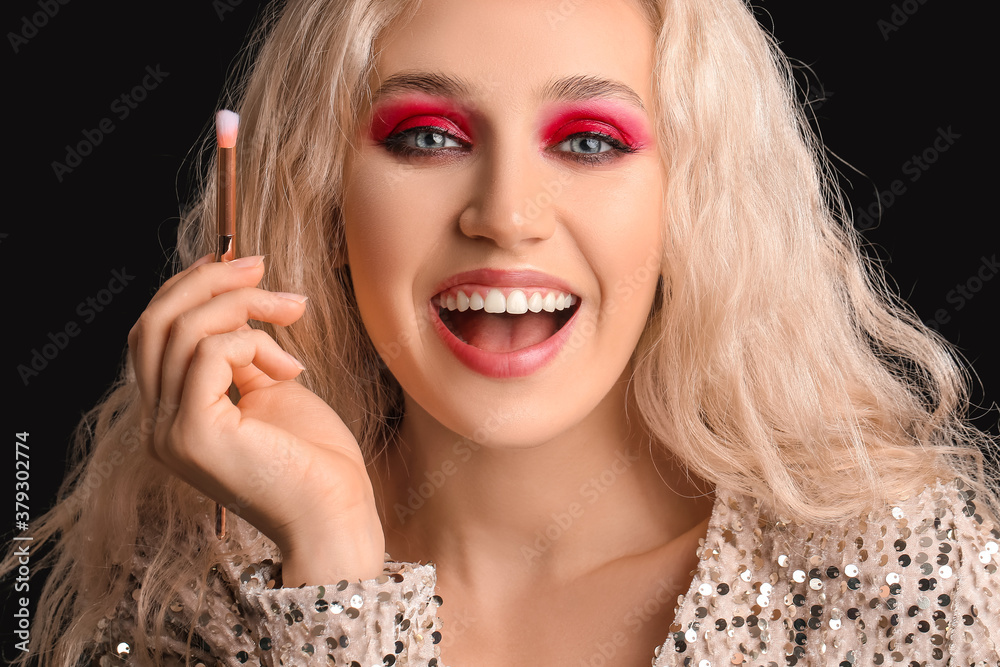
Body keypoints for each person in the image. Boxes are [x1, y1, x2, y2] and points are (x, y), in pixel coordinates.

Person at [3, 0, 998, 664]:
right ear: (323, 200)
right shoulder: (195, 600)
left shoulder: (892, 577)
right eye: (428, 137)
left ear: (690, 201)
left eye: (590, 142)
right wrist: (331, 565)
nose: (507, 214)